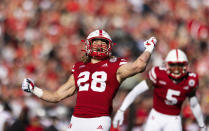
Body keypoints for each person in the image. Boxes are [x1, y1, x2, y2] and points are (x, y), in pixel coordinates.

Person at [21, 29, 157, 131]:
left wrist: (149, 48)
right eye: (96, 42)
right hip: (77, 119)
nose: (99, 45)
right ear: (88, 45)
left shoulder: (115, 64)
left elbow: (139, 66)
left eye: (103, 42)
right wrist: (34, 89)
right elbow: (56, 96)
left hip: (99, 119)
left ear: (109, 46)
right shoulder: (79, 67)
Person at [113, 49, 207, 131]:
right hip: (156, 117)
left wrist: (202, 125)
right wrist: (121, 110)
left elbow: (194, 104)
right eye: (173, 65)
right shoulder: (159, 74)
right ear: (166, 64)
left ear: (186, 65)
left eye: (180, 65)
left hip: (174, 119)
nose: (177, 69)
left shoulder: (190, 80)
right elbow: (136, 91)